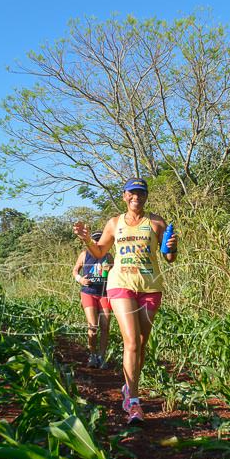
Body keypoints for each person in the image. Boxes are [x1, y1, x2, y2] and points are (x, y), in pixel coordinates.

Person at [73, 177, 178, 424]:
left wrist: (172, 245)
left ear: (146, 197)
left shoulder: (156, 222)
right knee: (130, 342)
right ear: (124, 196)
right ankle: (132, 401)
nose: (136, 198)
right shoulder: (114, 223)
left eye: (141, 194)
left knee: (141, 344)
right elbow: (99, 252)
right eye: (132, 193)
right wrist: (87, 239)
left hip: (151, 288)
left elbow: (169, 257)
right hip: (120, 285)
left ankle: (129, 387)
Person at [72, 231, 112, 368]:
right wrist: (80, 279)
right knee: (93, 326)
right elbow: (75, 270)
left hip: (104, 294)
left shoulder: (108, 256)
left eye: (100, 240)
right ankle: (92, 355)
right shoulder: (84, 255)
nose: (97, 242)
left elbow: (113, 274)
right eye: (94, 240)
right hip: (88, 293)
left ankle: (101, 356)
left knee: (105, 326)